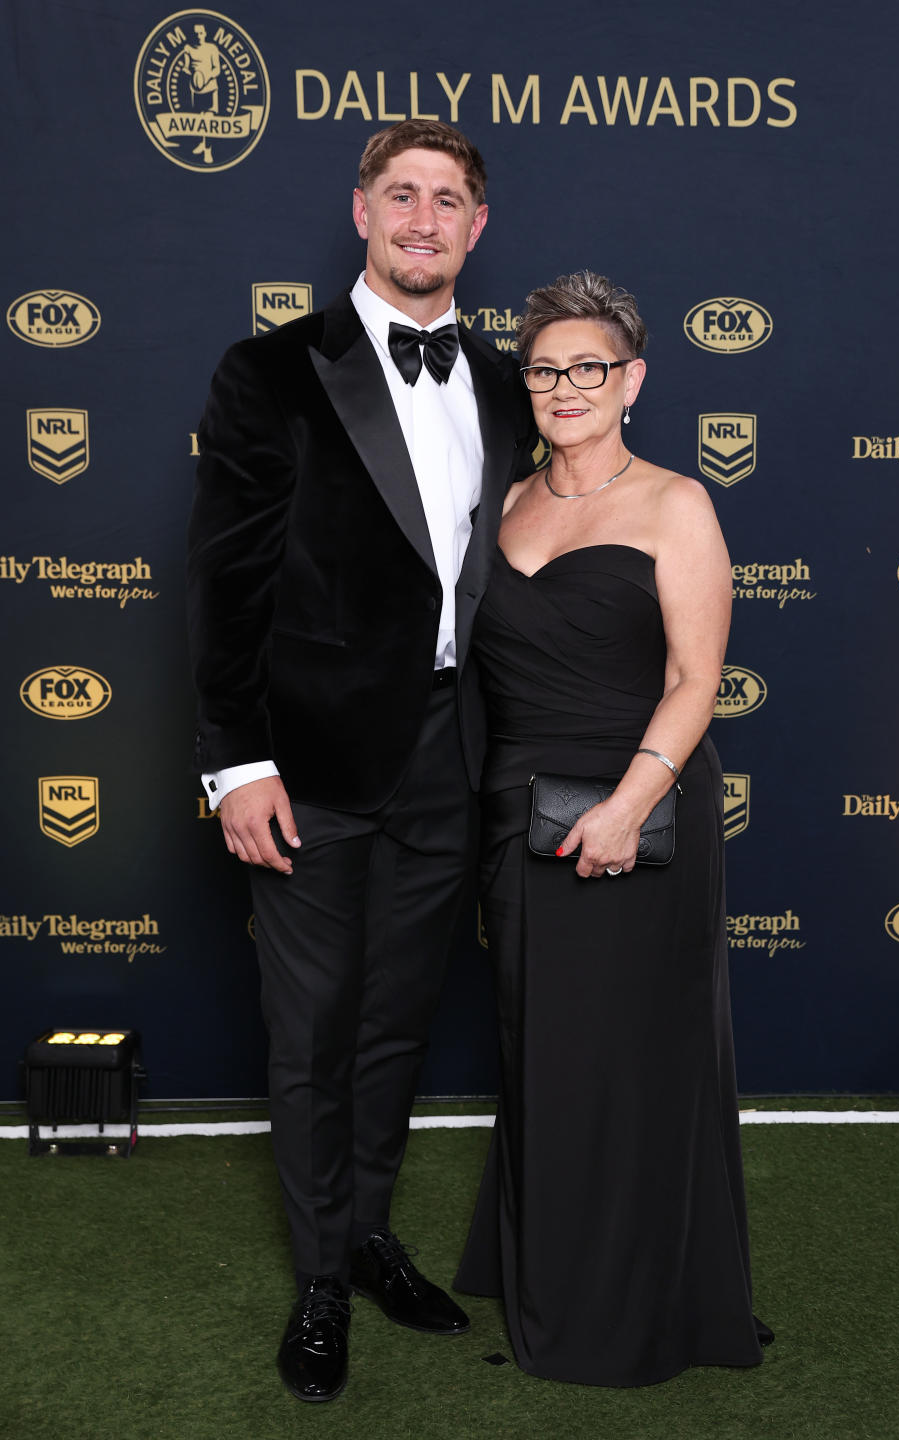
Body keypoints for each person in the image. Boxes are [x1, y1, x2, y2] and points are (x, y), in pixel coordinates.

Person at [186, 119, 538, 1404]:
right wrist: (238, 765)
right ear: (361, 212)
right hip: (311, 767)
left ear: (478, 228)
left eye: (450, 200)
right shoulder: (269, 372)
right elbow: (224, 586)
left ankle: (370, 1233)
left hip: (455, 753)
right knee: (313, 1029)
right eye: (403, 195)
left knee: (395, 1025)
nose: (425, 219)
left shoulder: (505, 386)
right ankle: (321, 1285)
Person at [454, 271, 772, 1385]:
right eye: (544, 370)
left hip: (645, 817)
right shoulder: (497, 505)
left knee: (635, 1064)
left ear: (632, 380)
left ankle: (638, 1302)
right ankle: (549, 1263)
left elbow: (696, 679)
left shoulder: (678, 503)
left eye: (589, 367)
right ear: (526, 384)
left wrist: (627, 809)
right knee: (545, 1057)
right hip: (517, 823)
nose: (565, 387)